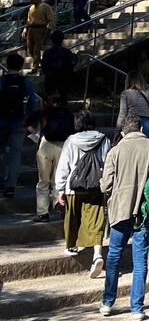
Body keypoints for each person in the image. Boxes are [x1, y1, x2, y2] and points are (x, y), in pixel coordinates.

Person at [99, 116, 149, 320]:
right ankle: (137, 308)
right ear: (141, 129)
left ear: (123, 132)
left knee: (114, 256)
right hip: (145, 210)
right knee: (140, 260)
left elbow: (105, 186)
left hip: (120, 210)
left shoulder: (115, 151)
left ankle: (107, 302)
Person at [55, 109, 112, 277]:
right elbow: (108, 164)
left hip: (74, 187)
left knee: (72, 217)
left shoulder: (71, 141)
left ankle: (72, 246)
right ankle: (97, 254)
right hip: (96, 186)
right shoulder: (104, 140)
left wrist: (60, 189)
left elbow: (63, 166)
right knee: (96, 219)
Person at [30, 90, 75, 222]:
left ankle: (42, 213)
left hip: (46, 145)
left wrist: (35, 136)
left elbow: (27, 123)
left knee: (43, 181)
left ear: (45, 101)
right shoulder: (67, 112)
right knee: (58, 180)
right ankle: (59, 207)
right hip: (63, 146)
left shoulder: (44, 111)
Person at [0, 52, 38, 200]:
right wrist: (28, 120)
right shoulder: (26, 83)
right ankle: (11, 186)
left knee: (1, 152)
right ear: (21, 66)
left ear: (7, 64)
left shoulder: (2, 81)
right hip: (19, 123)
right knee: (15, 154)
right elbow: (32, 103)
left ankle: (1, 180)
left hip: (2, 122)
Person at [117, 71, 149, 138]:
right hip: (147, 126)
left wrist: (117, 130)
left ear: (128, 81)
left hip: (131, 126)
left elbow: (122, 114)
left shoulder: (125, 93)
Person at [21, 0, 55, 74]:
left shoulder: (45, 6)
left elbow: (50, 19)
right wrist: (25, 29)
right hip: (31, 29)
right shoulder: (31, 7)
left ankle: (35, 67)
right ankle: (38, 62)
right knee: (30, 49)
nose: (32, 0)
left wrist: (49, 29)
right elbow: (28, 20)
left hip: (40, 29)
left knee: (37, 49)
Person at [40, 29, 77, 102]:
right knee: (63, 100)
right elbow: (71, 66)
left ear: (52, 40)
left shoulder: (47, 53)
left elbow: (44, 67)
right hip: (63, 80)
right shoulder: (66, 52)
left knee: (49, 101)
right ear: (62, 40)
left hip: (50, 80)